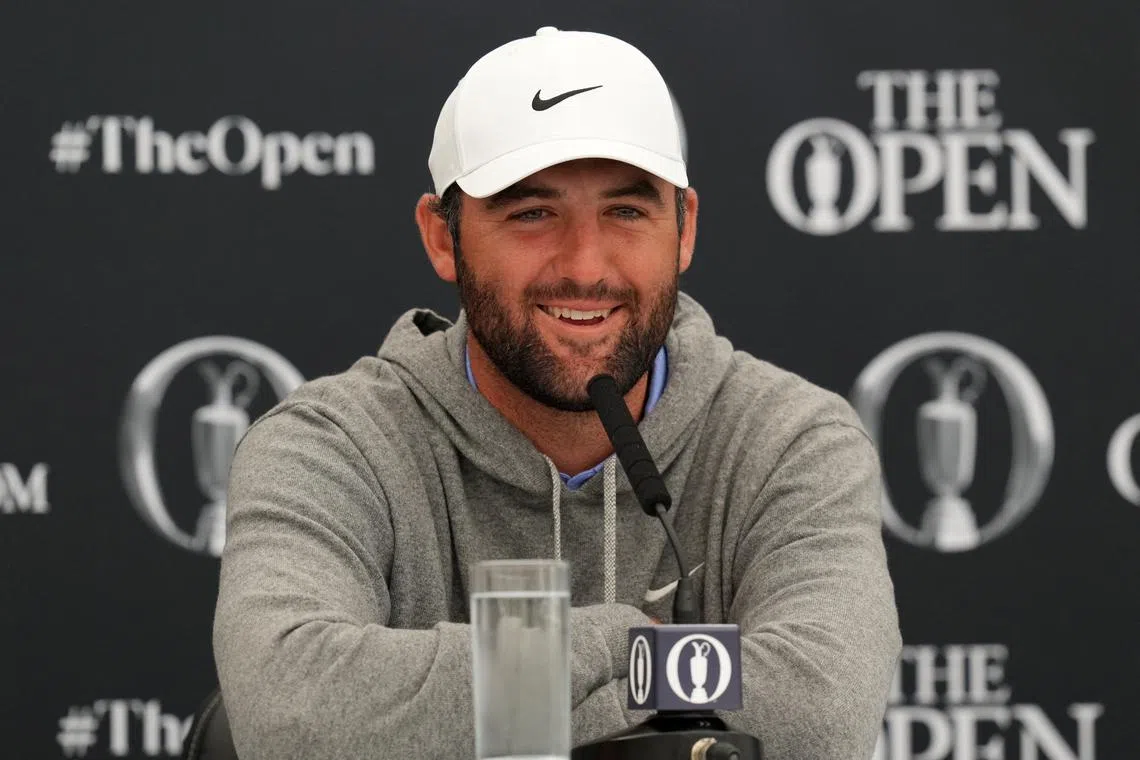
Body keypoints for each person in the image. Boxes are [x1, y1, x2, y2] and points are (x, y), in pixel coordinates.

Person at [213, 26, 901, 760]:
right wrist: (629, 645)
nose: (584, 265)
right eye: (531, 213)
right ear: (443, 238)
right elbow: (292, 715)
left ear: (684, 229)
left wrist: (458, 707)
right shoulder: (328, 446)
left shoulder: (790, 440)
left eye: (627, 211)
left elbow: (823, 714)